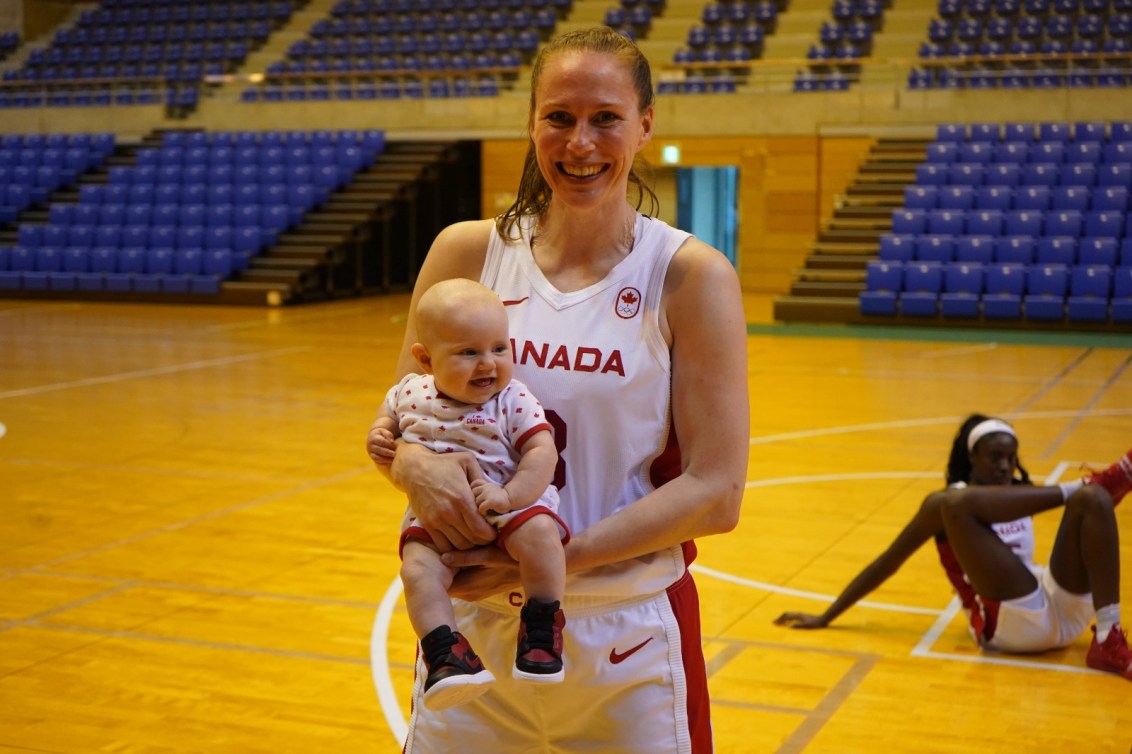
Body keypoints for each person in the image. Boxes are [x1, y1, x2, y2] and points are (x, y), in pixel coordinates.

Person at [369, 26, 749, 753]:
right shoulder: (466, 252)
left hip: (624, 639)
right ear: (532, 122)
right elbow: (409, 422)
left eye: (605, 117)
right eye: (560, 117)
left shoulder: (690, 276)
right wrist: (411, 466)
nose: (580, 143)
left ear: (645, 124)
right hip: (472, 636)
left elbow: (716, 491)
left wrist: (543, 558)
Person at [775, 414, 1132, 680]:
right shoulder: (942, 506)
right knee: (954, 503)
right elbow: (888, 562)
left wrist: (1091, 495)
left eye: (1011, 457)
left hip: (1057, 608)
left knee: (1095, 498)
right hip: (1011, 627)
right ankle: (1086, 482)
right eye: (995, 457)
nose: (1006, 467)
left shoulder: (1018, 489)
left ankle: (1108, 636)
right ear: (971, 457)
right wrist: (827, 616)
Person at [367, 278, 570, 711]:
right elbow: (386, 423)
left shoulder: (512, 398)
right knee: (417, 571)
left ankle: (541, 625)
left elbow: (541, 451)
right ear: (425, 359)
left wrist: (512, 495)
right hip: (436, 516)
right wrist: (380, 436)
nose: (488, 364)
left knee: (540, 537)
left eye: (499, 348)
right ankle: (445, 651)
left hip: (509, 500)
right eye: (468, 352)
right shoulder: (409, 391)